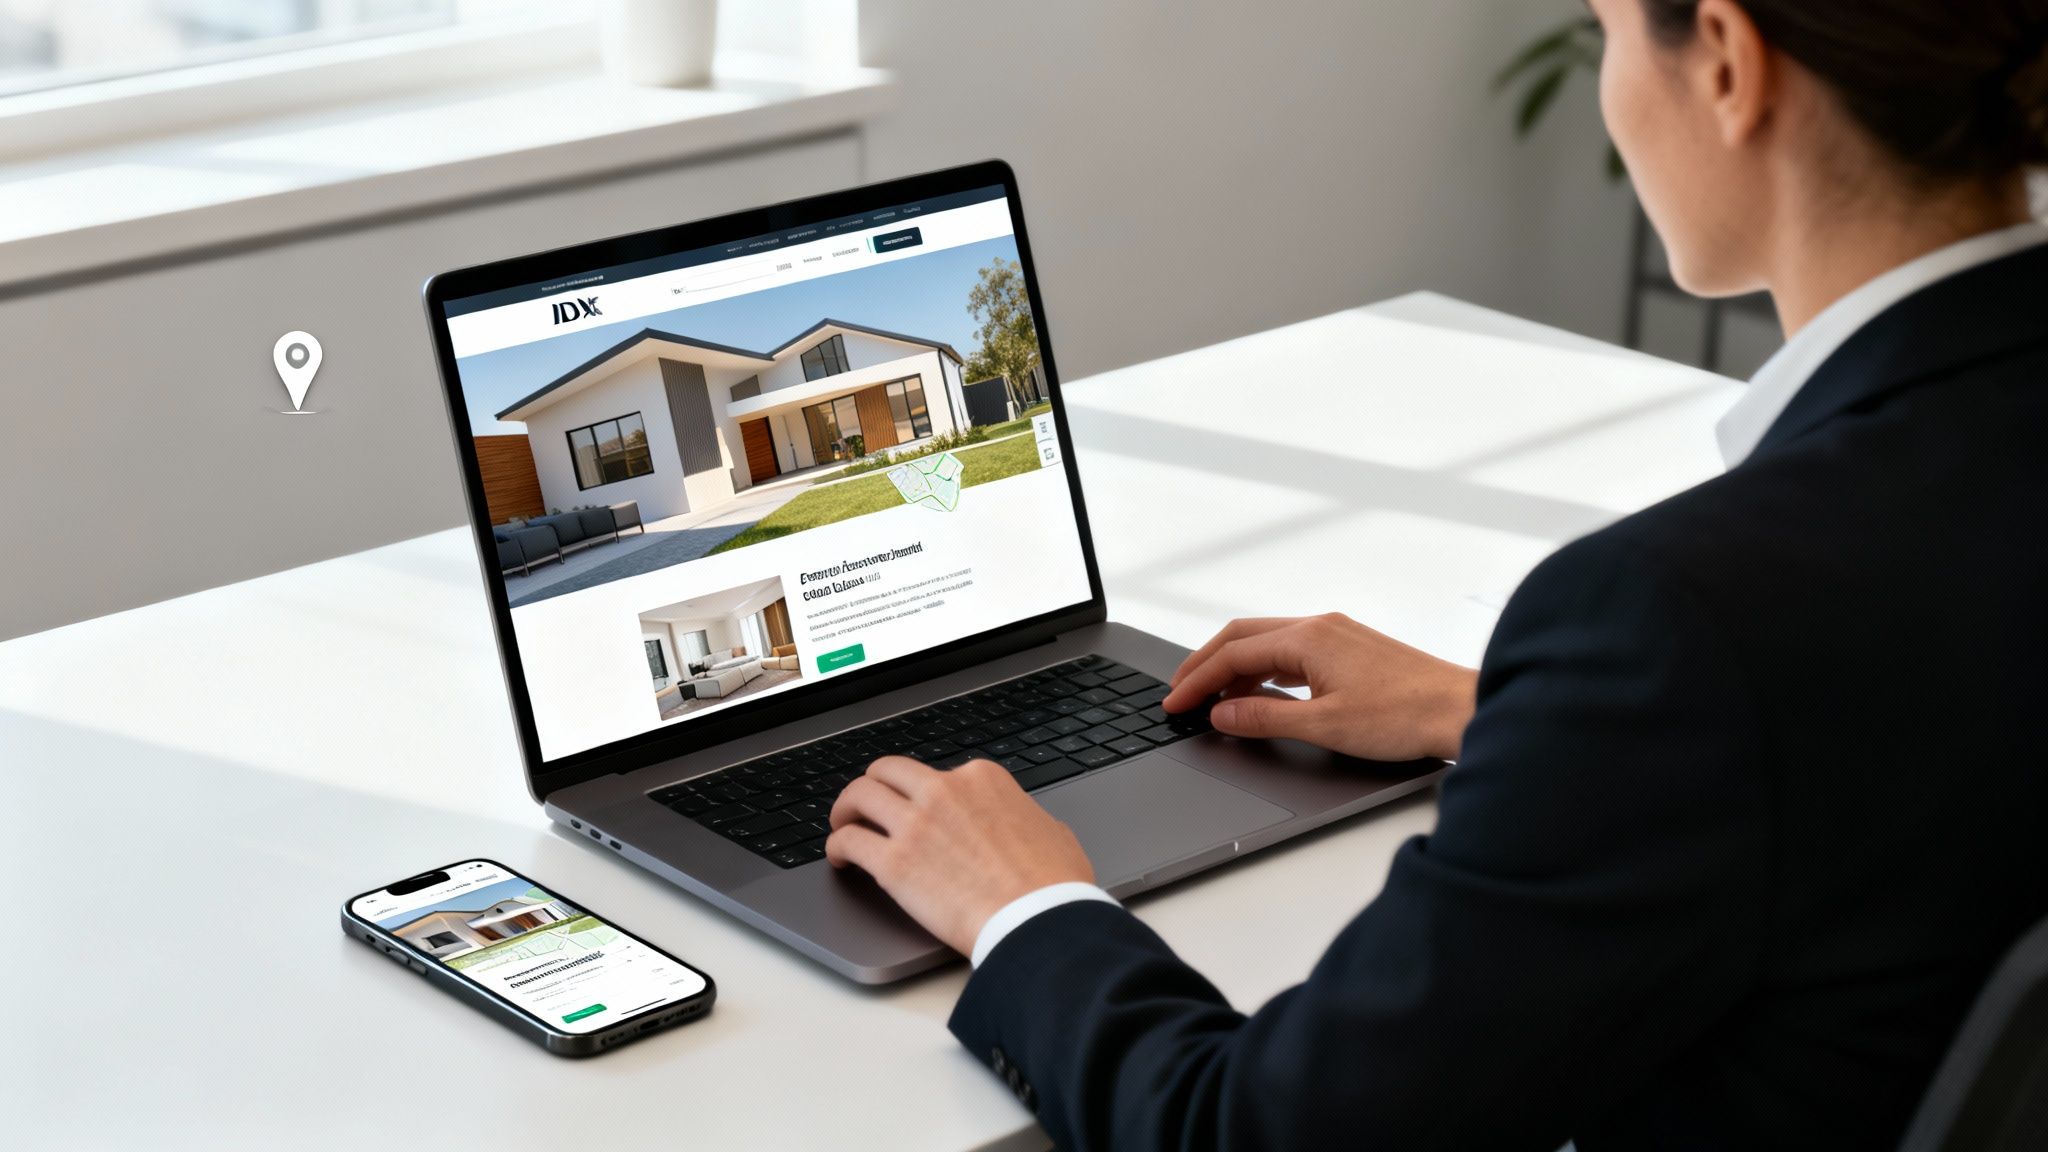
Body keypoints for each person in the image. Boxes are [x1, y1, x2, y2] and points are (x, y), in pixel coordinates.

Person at [825, 0, 2048, 1146]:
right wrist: (1508, 714)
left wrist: (1020, 907)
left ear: (1724, 62)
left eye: (1606, 27)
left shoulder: (1678, 623)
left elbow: (1253, 1128)